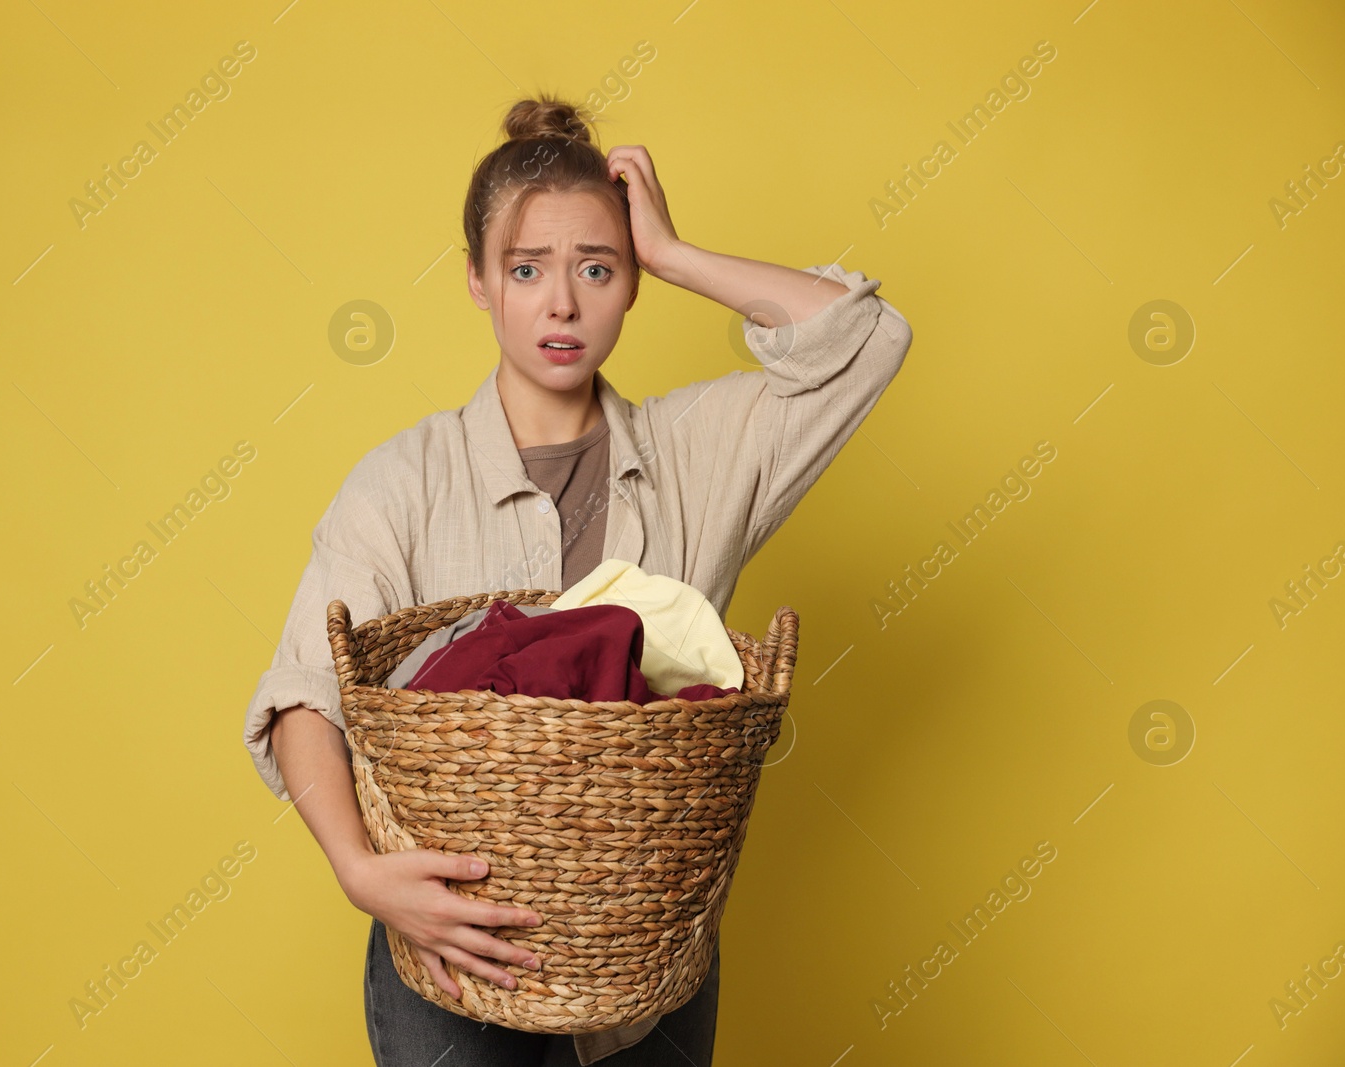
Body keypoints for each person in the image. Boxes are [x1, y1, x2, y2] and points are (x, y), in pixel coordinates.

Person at [242, 93, 914, 1066]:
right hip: (449, 954)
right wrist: (360, 871)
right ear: (477, 280)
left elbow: (869, 340)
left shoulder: (696, 453)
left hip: (647, 963)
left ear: (631, 281)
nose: (562, 303)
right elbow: (305, 688)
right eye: (526, 269)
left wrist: (676, 252)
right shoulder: (404, 481)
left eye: (596, 268)